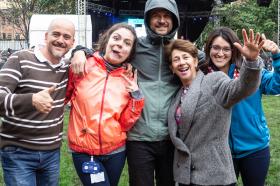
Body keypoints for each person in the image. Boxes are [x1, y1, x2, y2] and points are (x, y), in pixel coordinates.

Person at [71, 0, 182, 185]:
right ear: (147, 19)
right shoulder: (135, 47)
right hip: (139, 138)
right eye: (156, 15)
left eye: (167, 16)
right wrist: (79, 51)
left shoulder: (180, 50)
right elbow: (104, 53)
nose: (162, 20)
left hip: (170, 137)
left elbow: (210, 58)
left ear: (175, 20)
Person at [167, 29, 263, 186]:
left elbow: (242, 88)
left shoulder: (214, 80)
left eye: (186, 57)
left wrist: (251, 61)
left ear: (196, 62)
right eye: (176, 59)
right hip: (186, 176)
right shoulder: (177, 96)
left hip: (214, 176)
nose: (182, 62)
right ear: (172, 67)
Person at [65, 23, 145, 186]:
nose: (120, 44)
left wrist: (136, 97)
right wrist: (78, 50)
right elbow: (63, 97)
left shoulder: (128, 77)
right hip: (84, 151)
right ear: (106, 40)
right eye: (116, 38)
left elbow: (125, 123)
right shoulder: (83, 65)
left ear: (130, 52)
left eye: (127, 43)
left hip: (116, 152)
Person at [0, 18, 75, 186]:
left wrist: (81, 52)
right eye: (56, 34)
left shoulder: (66, 68)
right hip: (18, 152)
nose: (60, 40)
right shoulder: (20, 59)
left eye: (66, 37)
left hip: (52, 153)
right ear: (46, 36)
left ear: (72, 42)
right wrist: (31, 99)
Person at [204, 27, 280, 186]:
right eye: (216, 47)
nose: (220, 53)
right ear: (208, 48)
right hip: (219, 151)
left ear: (234, 50)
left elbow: (276, 85)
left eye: (226, 49)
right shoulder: (202, 76)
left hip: (254, 148)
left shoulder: (250, 71)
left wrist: (277, 56)